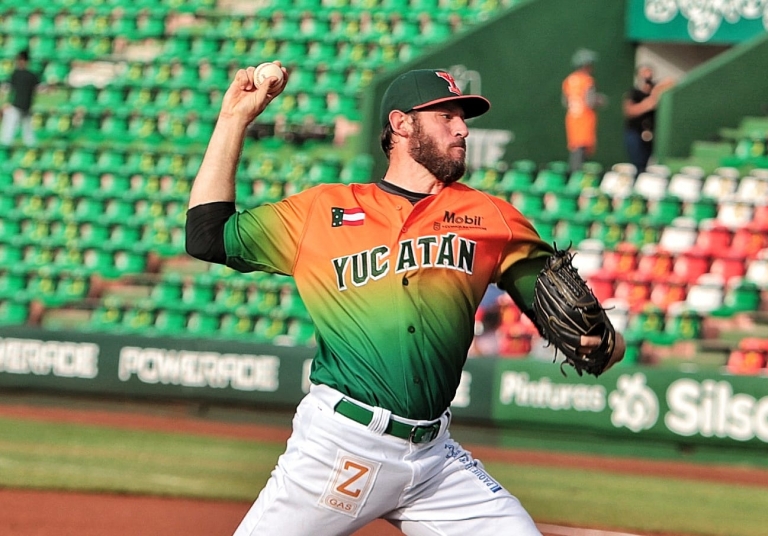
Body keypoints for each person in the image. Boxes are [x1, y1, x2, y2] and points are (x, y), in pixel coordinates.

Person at [185, 64, 625, 536]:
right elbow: (207, 236)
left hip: (434, 461)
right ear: (401, 124)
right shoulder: (322, 211)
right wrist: (234, 118)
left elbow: (588, 333)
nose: (462, 129)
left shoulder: (492, 217)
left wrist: (600, 341)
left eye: (463, 118)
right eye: (446, 116)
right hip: (342, 445)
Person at [622, 65, 674, 174]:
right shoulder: (634, 93)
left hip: (652, 133)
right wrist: (648, 103)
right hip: (636, 132)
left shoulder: (655, 90)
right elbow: (630, 111)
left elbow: (670, 82)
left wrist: (657, 89)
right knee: (637, 163)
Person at [561, 48, 606, 172]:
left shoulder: (569, 80)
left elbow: (565, 102)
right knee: (582, 151)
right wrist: (600, 100)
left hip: (572, 117)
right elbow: (590, 102)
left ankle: (574, 171)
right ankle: (577, 174)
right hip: (585, 118)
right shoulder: (587, 81)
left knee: (575, 148)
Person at [1, 50, 40, 147]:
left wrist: (6, 103)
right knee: (28, 134)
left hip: (16, 105)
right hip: (25, 106)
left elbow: (8, 89)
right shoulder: (32, 75)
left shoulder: (16, 74)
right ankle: (31, 149)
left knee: (8, 132)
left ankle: (5, 149)